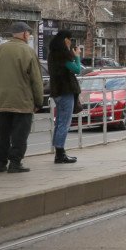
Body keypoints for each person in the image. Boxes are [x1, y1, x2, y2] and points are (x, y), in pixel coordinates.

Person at [0, 22, 44, 173]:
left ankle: (1, 164)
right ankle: (15, 163)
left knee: (3, 134)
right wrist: (39, 101)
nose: (29, 36)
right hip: (22, 102)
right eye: (28, 34)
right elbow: (36, 80)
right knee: (19, 136)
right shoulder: (28, 52)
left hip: (1, 101)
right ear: (24, 34)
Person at [47, 30, 81, 164]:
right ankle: (60, 154)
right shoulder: (62, 55)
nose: (71, 42)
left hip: (57, 92)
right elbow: (77, 69)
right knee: (64, 123)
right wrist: (77, 56)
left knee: (60, 122)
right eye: (70, 39)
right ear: (65, 40)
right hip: (65, 91)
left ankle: (59, 153)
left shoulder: (52, 54)